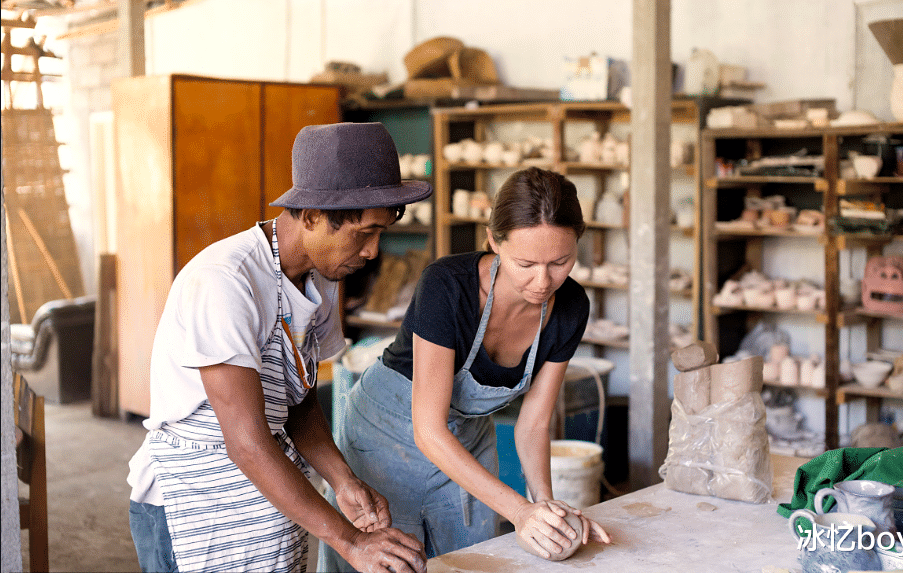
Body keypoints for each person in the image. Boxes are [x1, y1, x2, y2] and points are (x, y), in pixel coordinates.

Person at [126, 122, 431, 573]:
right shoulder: (225, 282)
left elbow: (299, 400)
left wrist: (342, 480)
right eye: (363, 233)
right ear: (309, 216)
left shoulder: (321, 279)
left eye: (380, 234)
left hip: (264, 493)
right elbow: (247, 443)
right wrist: (349, 542)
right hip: (196, 500)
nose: (372, 252)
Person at [319, 167, 611, 571]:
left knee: (473, 562)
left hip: (467, 438)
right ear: (493, 241)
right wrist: (519, 512)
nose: (543, 281)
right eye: (525, 263)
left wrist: (545, 508)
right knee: (391, 560)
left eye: (560, 262)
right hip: (388, 437)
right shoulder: (448, 285)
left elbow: (534, 424)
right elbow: (429, 430)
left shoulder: (572, 306)